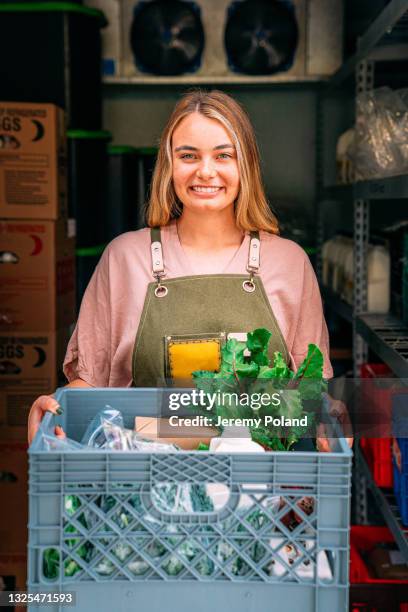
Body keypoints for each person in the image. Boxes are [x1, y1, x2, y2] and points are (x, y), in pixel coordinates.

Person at [28, 89, 345, 447]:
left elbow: (309, 394)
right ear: (169, 165)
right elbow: (88, 385)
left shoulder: (289, 263)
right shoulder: (125, 259)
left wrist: (329, 418)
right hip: (142, 488)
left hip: (263, 489)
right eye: (188, 155)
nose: (205, 171)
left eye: (223, 155)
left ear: (246, 165)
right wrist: (56, 409)